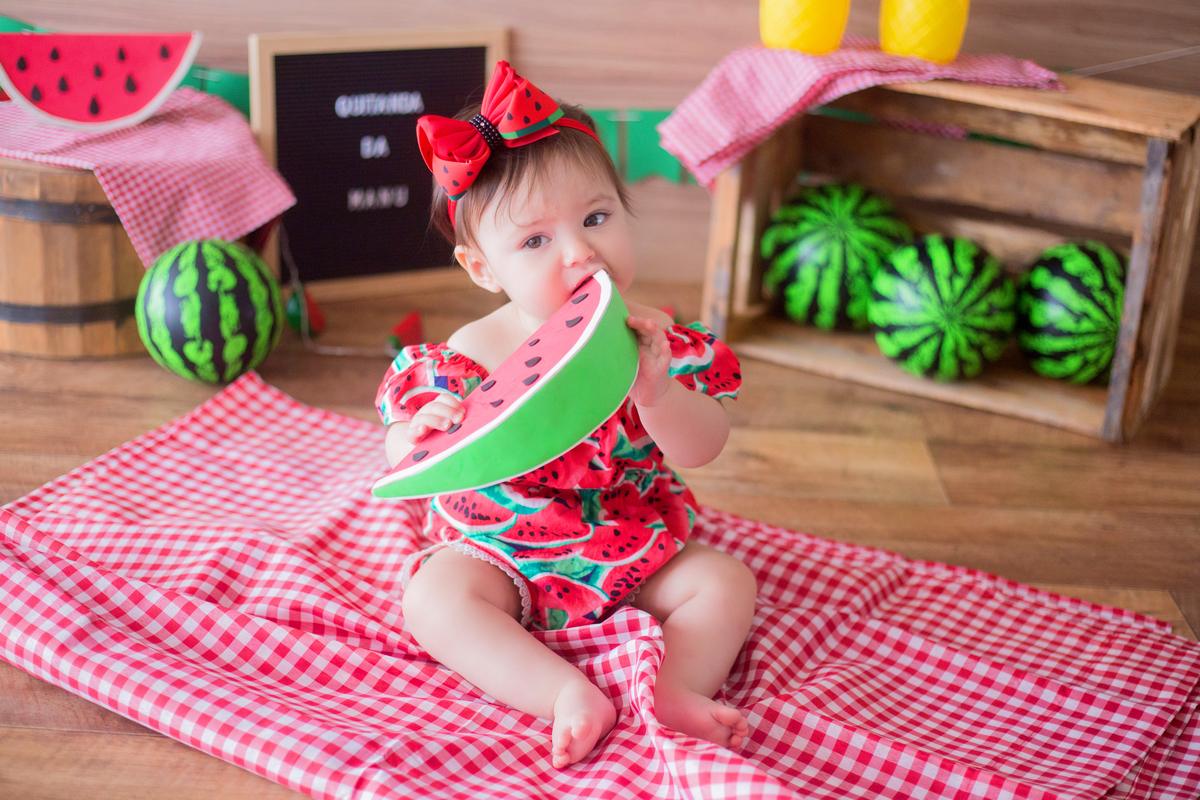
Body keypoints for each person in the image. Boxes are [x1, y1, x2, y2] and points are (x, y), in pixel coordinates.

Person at [376, 61, 758, 769]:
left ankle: (674, 690)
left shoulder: (655, 340)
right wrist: (418, 431)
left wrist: (659, 394)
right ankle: (565, 695)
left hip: (621, 530)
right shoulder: (472, 350)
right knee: (432, 601)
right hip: (499, 540)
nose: (581, 252)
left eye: (596, 217)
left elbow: (707, 445)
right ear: (482, 268)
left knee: (728, 582)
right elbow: (406, 444)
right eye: (535, 241)